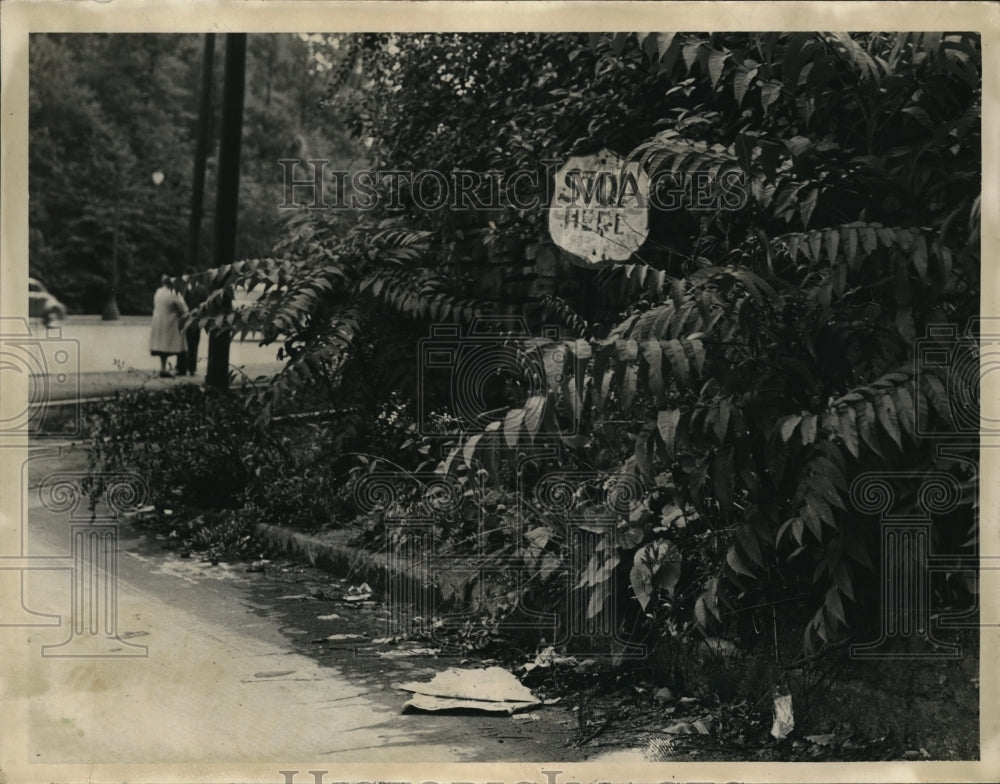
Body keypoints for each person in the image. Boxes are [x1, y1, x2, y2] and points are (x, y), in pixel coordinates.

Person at [149, 275, 189, 378]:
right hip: (170, 322)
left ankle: (163, 368)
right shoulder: (174, 293)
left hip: (159, 321)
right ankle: (181, 367)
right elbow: (183, 308)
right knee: (177, 345)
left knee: (163, 346)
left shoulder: (158, 292)